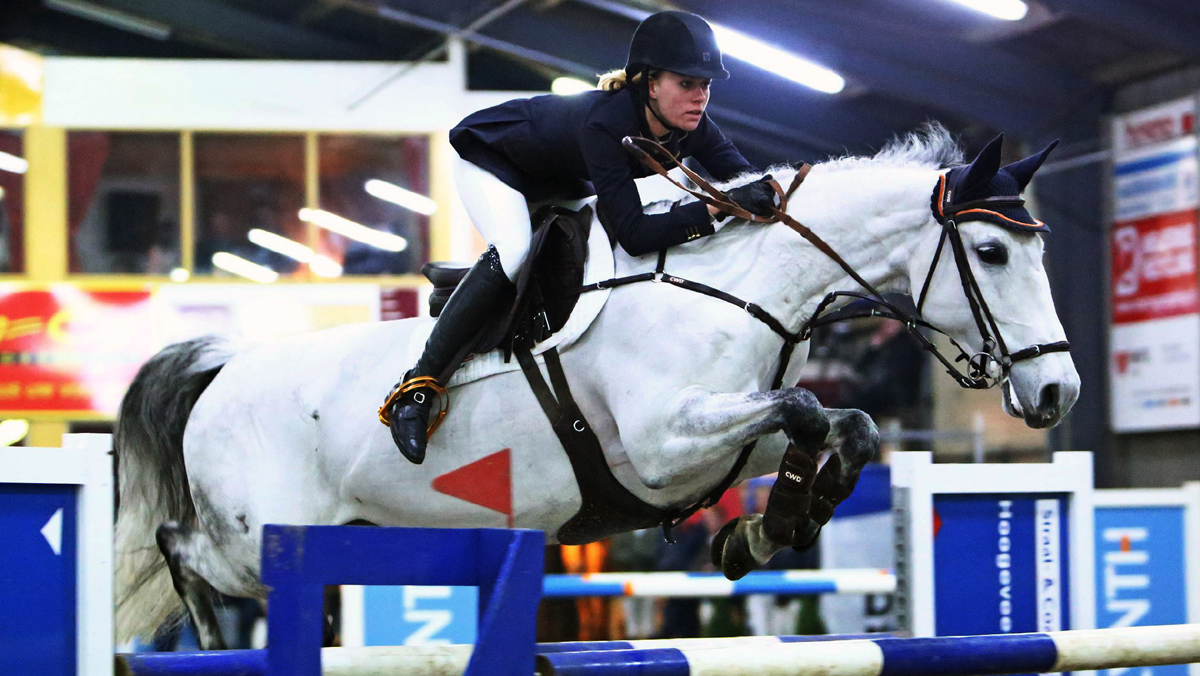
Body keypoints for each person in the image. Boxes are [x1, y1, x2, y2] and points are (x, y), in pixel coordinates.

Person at [380, 10, 780, 464]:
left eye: (707, 85)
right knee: (514, 251)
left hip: (559, 182)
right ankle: (414, 393)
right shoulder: (606, 122)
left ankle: (475, 293)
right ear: (651, 84)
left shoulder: (693, 127)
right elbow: (635, 234)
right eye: (687, 83)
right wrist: (715, 208)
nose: (700, 96)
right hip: (495, 163)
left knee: (592, 255)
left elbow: (753, 180)